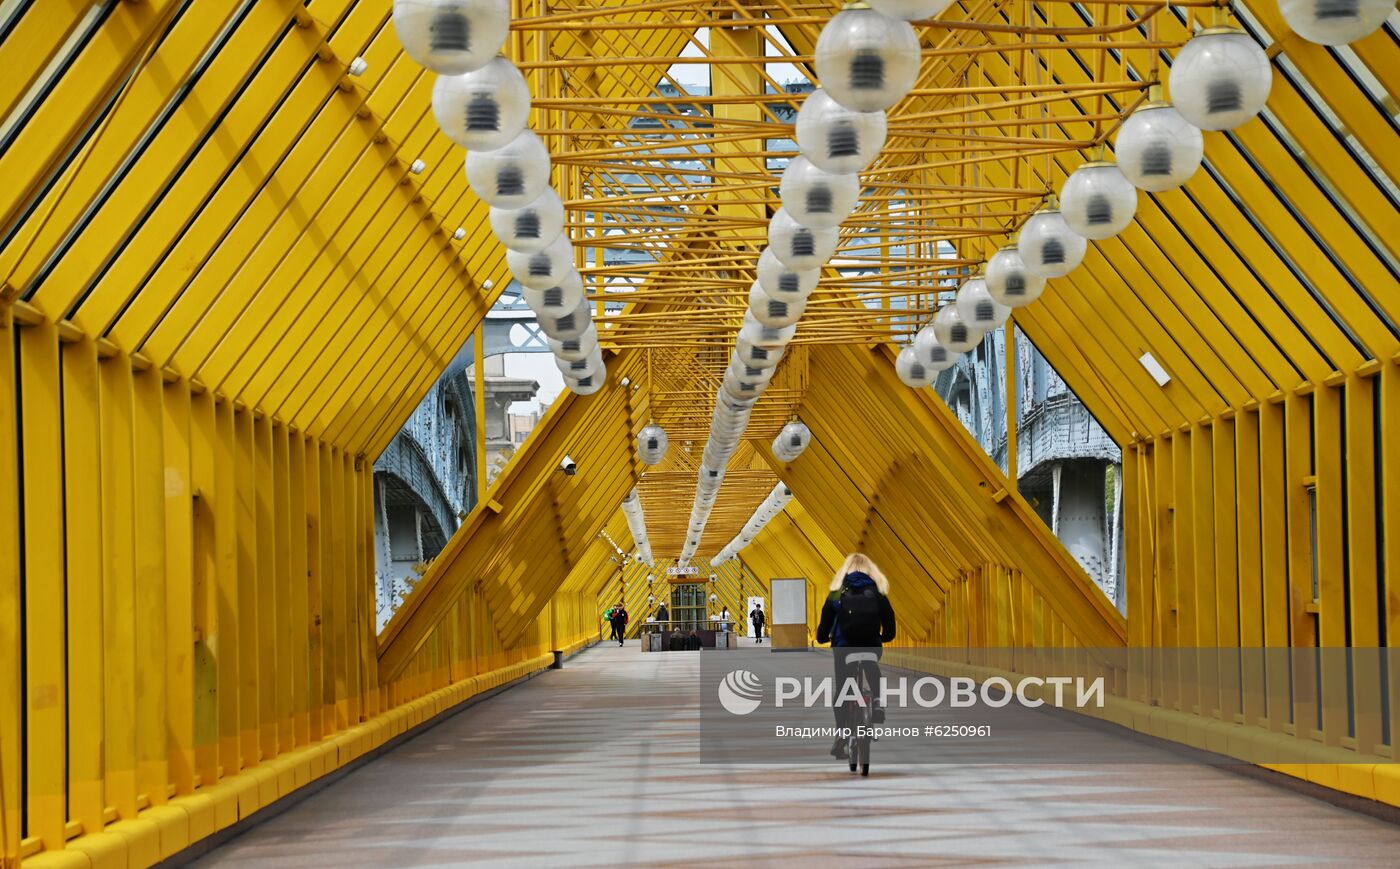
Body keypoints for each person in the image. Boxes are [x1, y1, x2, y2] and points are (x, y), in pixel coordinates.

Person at [816, 553, 896, 759]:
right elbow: (890, 625)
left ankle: (841, 735)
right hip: (870, 645)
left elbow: (824, 626)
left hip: (844, 648)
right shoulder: (877, 591)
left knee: (843, 689)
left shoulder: (837, 592)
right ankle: (877, 701)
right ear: (871, 570)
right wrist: (884, 637)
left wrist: (823, 637)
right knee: (871, 665)